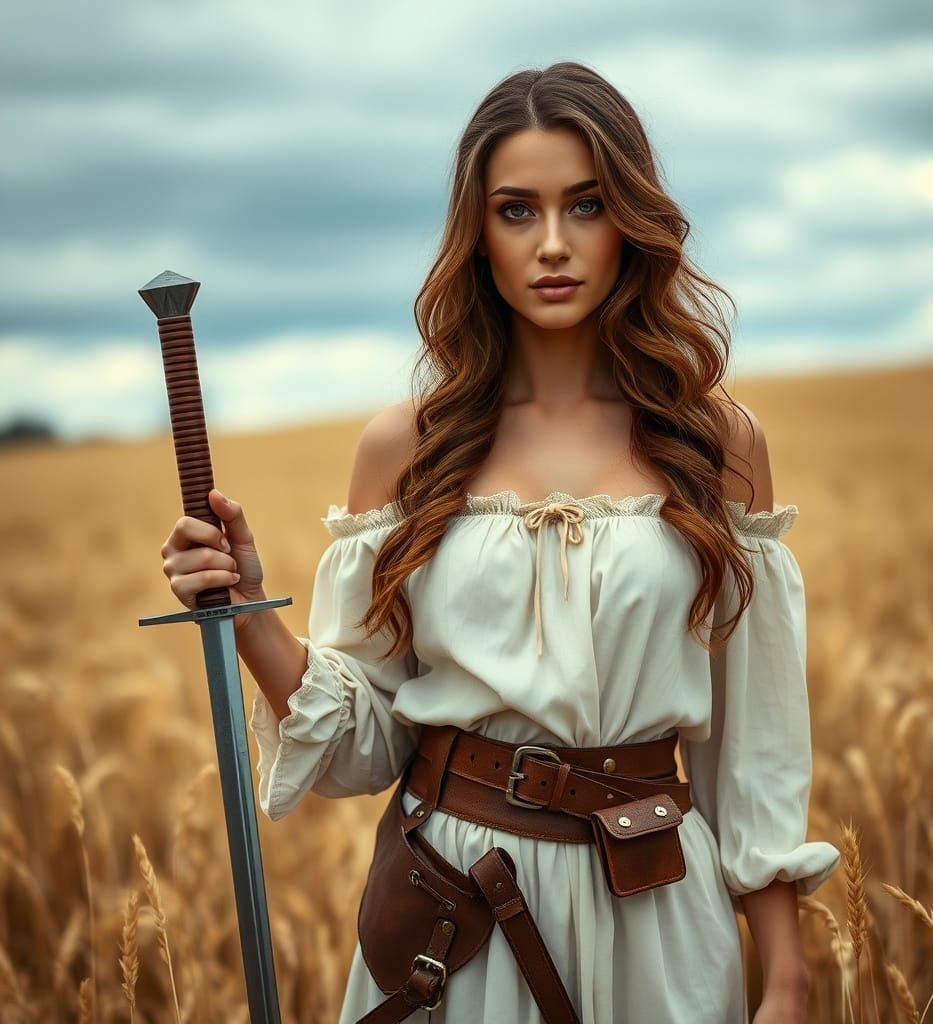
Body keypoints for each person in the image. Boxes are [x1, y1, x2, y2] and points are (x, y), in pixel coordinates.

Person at [160, 61, 840, 1024]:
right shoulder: (408, 448)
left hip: (658, 917)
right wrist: (244, 611)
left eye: (587, 205)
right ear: (477, 235)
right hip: (459, 909)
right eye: (517, 211)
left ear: (631, 222)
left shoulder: (715, 443)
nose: (553, 244)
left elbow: (755, 750)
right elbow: (366, 741)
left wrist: (788, 981)